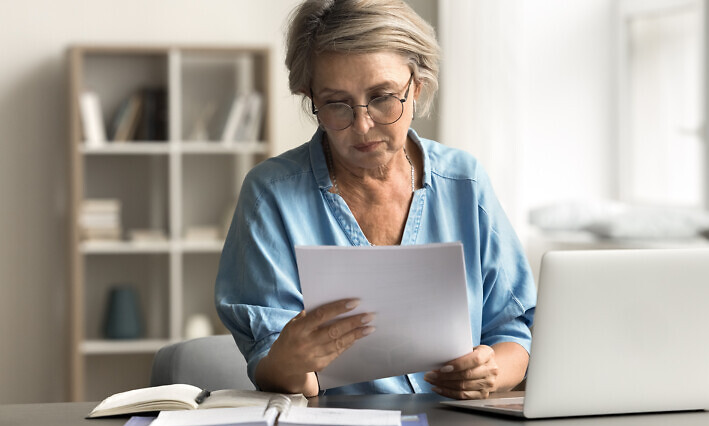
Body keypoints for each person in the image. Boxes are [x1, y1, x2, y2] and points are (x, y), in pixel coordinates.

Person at [215, 0, 536, 400]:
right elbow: (278, 370)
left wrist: (491, 370)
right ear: (309, 95)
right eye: (336, 104)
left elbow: (514, 331)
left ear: (416, 87)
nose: (363, 126)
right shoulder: (271, 195)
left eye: (383, 97)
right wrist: (290, 360)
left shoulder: (464, 182)